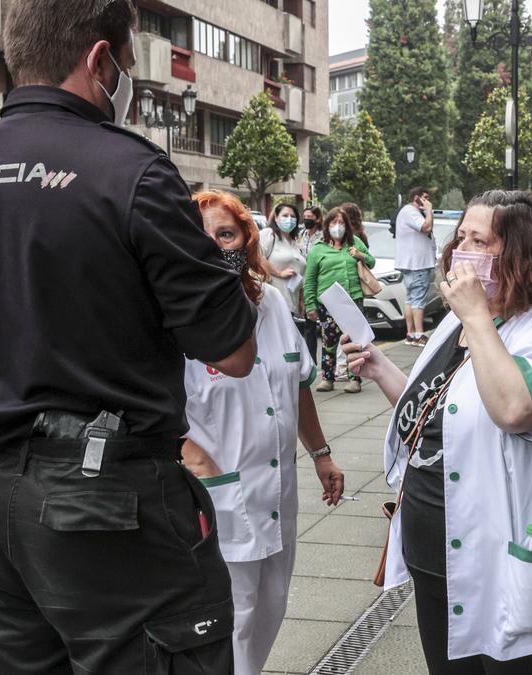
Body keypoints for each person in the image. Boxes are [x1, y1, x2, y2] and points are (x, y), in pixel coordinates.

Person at [0, 1, 259, 669]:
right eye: (126, 65)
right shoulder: (131, 172)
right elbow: (233, 349)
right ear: (100, 61)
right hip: (110, 508)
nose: (126, 79)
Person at [344, 190, 532, 673]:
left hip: (507, 564)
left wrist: (479, 317)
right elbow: (436, 414)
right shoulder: (452, 327)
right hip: (435, 554)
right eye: (461, 237)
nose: (462, 251)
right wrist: (381, 371)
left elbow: (515, 409)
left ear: (520, 254)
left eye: (480, 240)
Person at [185, 190, 346, 675]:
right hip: (215, 501)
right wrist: (199, 465)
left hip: (278, 495)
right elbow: (156, 413)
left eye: (226, 234)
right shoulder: (174, 319)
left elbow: (298, 385)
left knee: (269, 609)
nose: (216, 246)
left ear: (247, 239)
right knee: (227, 623)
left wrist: (320, 453)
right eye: (202, 237)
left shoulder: (272, 304)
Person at [304, 206, 374, 393]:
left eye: (341, 223)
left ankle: (355, 379)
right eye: (334, 222)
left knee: (354, 341)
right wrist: (310, 304)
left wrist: (360, 255)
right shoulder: (318, 249)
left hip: (353, 300)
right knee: (329, 341)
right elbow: (309, 280)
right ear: (327, 225)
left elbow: (371, 261)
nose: (338, 226)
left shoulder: (355, 242)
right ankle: (327, 378)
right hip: (328, 303)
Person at [264, 202, 319, 361]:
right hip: (271, 302)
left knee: (287, 350)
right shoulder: (269, 235)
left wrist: (302, 299)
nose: (289, 219)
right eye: (285, 216)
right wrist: (279, 272)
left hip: (291, 305)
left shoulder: (295, 242)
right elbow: (256, 258)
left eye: (293, 216)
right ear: (276, 217)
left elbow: (300, 273)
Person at [395, 187, 437, 347]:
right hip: (417, 264)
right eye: (425, 197)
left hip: (412, 263)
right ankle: (418, 335)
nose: (428, 201)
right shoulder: (410, 211)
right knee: (418, 300)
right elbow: (426, 227)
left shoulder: (408, 212)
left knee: (411, 299)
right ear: (416, 197)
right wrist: (428, 211)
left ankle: (411, 334)